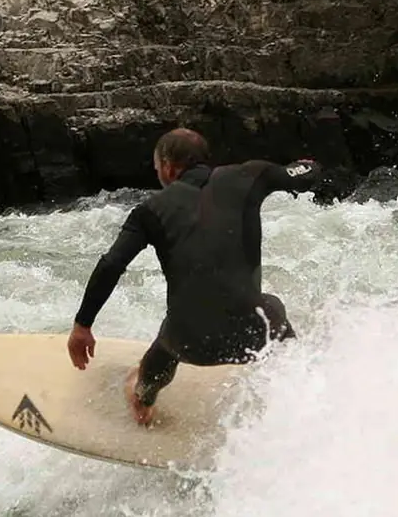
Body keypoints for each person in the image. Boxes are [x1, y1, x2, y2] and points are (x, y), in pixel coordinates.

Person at [66, 128, 323, 426]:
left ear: (169, 166)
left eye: (157, 168)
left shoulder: (149, 211)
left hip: (190, 344)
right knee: (272, 306)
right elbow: (306, 174)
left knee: (169, 339)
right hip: (254, 335)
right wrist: (308, 164)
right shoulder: (250, 175)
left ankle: (144, 396)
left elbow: (111, 265)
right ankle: (304, 388)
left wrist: (82, 325)